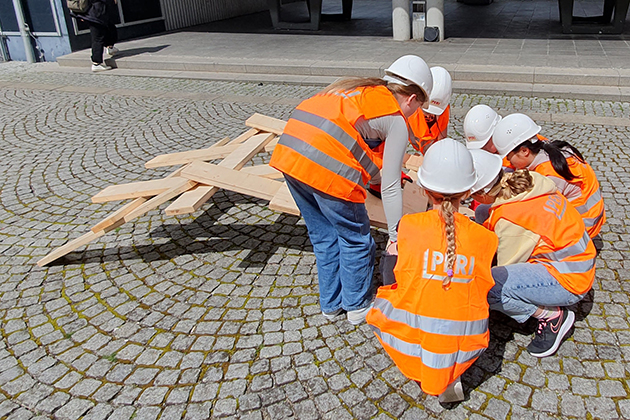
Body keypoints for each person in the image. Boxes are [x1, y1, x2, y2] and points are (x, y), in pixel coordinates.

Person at [269, 55, 433, 325]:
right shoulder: (395, 118)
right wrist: (395, 236)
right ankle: (357, 306)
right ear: (412, 99)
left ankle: (330, 306)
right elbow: (391, 186)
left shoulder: (356, 89)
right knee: (356, 239)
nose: (414, 114)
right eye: (417, 108)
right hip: (327, 165)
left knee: (324, 237)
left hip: (290, 154)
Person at [366, 139, 498, 403]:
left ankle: (423, 365)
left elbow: (395, 274)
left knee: (392, 263)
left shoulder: (409, 226)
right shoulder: (486, 237)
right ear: (469, 191)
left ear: (425, 189)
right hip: (466, 343)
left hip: (409, 338)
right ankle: (450, 373)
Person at [469, 158, 596, 358]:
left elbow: (506, 268)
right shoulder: (531, 180)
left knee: (489, 286)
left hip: (569, 279)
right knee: (483, 212)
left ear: (483, 193)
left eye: (472, 194)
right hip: (578, 260)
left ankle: (552, 317)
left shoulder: (512, 219)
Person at [492, 113, 605, 238]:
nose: (509, 162)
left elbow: (539, 213)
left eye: (508, 157)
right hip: (590, 216)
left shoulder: (548, 176)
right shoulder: (545, 146)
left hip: (582, 228)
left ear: (524, 151)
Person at [407, 66, 452, 155]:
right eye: (427, 111)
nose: (429, 116)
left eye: (435, 113)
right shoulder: (409, 108)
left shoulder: (444, 109)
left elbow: (441, 138)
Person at [72, 0, 119, 72]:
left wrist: (78, 15)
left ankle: (110, 47)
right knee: (98, 38)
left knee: (110, 28)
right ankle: (96, 63)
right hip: (96, 14)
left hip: (91, 14)